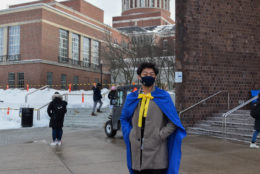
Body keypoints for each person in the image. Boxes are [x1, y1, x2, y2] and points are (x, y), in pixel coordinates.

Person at [120, 62, 186, 174]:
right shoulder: (133, 97)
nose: (148, 76)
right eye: (145, 73)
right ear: (139, 76)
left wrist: (159, 136)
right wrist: (130, 133)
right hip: (137, 156)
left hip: (157, 157)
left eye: (151, 74)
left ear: (155, 77)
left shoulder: (163, 96)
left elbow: (173, 122)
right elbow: (124, 118)